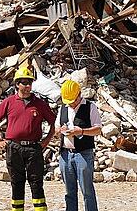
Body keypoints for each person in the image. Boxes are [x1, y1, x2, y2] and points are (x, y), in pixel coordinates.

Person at [0, 64, 56, 211]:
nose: (28, 86)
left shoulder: (40, 104)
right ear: (17, 84)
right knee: (17, 182)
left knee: (36, 182)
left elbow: (54, 123)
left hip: (34, 148)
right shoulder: (9, 102)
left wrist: (46, 141)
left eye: (30, 82)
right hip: (14, 147)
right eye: (24, 83)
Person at [57, 80, 102, 211]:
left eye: (73, 100)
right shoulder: (63, 108)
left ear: (79, 95)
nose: (71, 103)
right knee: (69, 192)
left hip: (83, 153)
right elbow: (56, 129)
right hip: (65, 154)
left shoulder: (90, 107)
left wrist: (81, 131)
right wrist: (60, 130)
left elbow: (98, 129)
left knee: (87, 190)